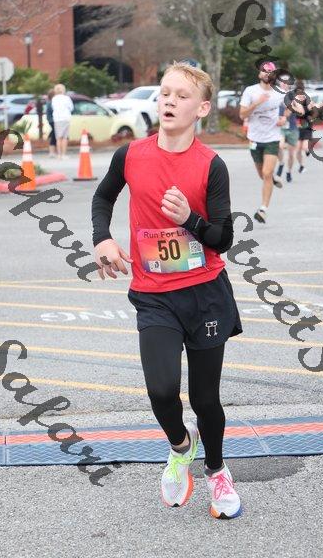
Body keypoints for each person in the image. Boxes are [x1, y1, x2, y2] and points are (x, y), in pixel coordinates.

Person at [91, 62, 243, 520]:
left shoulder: (211, 165)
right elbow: (103, 197)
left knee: (205, 399)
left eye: (181, 95)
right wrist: (102, 239)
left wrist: (188, 220)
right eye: (164, 93)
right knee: (161, 391)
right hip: (154, 293)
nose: (170, 101)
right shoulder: (131, 155)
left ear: (202, 108)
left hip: (204, 293)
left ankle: (216, 470)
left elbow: (223, 238)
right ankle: (180, 447)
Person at [239, 61, 288, 224]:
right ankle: (272, 178)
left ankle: (263, 209)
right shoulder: (250, 91)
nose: (267, 74)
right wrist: (256, 103)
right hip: (254, 139)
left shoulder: (280, 92)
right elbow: (242, 115)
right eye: (264, 71)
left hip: (272, 139)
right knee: (263, 175)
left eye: (270, 71)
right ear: (259, 73)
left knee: (266, 173)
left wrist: (284, 117)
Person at [52, 83, 74, 159]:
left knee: (58, 138)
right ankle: (64, 154)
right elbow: (71, 108)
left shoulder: (54, 99)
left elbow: (53, 108)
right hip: (65, 118)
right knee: (64, 137)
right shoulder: (66, 98)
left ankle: (59, 154)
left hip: (57, 119)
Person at [46, 89, 57, 158]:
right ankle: (51, 152)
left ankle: (52, 151)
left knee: (54, 134)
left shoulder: (49, 102)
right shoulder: (51, 102)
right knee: (54, 135)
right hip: (52, 120)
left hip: (51, 120)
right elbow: (54, 111)